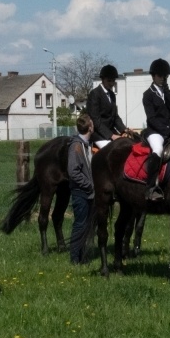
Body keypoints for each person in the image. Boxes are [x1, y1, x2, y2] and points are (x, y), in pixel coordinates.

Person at [142, 58, 170, 201]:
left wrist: (169, 95)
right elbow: (151, 119)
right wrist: (166, 130)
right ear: (154, 76)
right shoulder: (148, 95)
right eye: (161, 76)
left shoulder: (168, 93)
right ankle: (150, 188)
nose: (163, 78)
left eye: (166, 76)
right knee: (157, 150)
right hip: (155, 131)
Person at [67, 113, 95, 264]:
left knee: (86, 225)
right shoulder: (76, 146)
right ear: (90, 127)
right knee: (80, 224)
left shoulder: (86, 145)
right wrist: (89, 184)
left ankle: (82, 256)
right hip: (81, 192)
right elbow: (73, 172)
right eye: (92, 123)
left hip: (88, 193)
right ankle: (74, 259)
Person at [86, 64, 127, 149]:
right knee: (112, 150)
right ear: (103, 79)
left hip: (111, 132)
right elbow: (96, 120)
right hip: (98, 134)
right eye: (109, 81)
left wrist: (124, 129)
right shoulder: (95, 94)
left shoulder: (112, 95)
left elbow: (115, 116)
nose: (112, 83)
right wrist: (111, 135)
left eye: (113, 81)